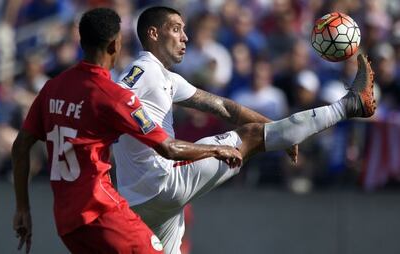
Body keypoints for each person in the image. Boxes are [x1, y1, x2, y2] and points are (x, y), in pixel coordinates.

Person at [113, 6, 376, 254]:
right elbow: (114, 100)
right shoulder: (142, 70)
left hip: (140, 199)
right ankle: (349, 105)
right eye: (176, 29)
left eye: (184, 29)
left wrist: (276, 132)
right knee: (250, 137)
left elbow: (225, 108)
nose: (185, 37)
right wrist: (272, 135)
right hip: (161, 182)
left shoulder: (166, 78)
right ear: (153, 33)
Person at [11, 8, 242, 254]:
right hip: (99, 210)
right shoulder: (113, 97)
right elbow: (168, 148)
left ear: (81, 42)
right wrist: (217, 148)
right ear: (115, 45)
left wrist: (22, 208)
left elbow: (20, 146)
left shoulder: (52, 88)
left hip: (66, 221)